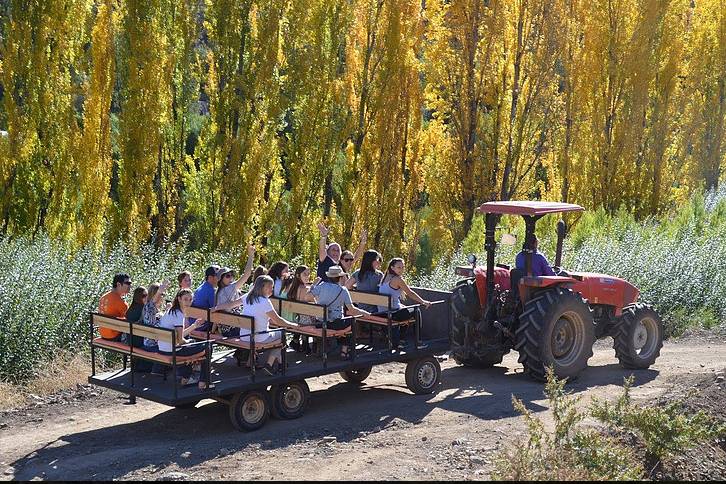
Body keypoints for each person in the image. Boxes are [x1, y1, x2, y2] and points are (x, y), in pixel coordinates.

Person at [240, 275, 299, 375]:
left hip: (244, 336)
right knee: (282, 335)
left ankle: (281, 364)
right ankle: (269, 364)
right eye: (270, 287)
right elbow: (278, 321)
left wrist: (216, 307)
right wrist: (293, 325)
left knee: (278, 336)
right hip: (258, 338)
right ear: (262, 287)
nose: (272, 290)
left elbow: (230, 304)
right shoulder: (264, 301)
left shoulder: (247, 297)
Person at [310, 266, 371, 359]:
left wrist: (313, 286)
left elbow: (308, 296)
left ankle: (323, 347)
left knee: (343, 323)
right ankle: (344, 351)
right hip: (335, 323)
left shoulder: (321, 286)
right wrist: (365, 313)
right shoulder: (343, 290)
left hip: (320, 323)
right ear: (341, 277)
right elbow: (352, 309)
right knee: (351, 322)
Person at [158, 288, 210, 389]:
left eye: (190, 300)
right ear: (179, 299)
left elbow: (178, 337)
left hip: (163, 348)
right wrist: (189, 342)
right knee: (208, 346)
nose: (188, 302)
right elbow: (181, 341)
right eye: (185, 299)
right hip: (173, 351)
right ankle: (203, 381)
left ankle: (186, 377)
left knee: (194, 344)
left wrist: (194, 326)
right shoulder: (179, 314)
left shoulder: (170, 311)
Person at [376, 258, 432, 348]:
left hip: (382, 312)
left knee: (405, 310)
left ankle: (401, 340)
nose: (401, 269)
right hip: (392, 313)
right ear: (392, 267)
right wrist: (423, 302)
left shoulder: (385, 277)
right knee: (416, 311)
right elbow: (410, 293)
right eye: (399, 267)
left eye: (403, 267)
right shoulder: (397, 279)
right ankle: (418, 341)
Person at [212, 244, 256, 336]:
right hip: (232, 328)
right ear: (221, 279)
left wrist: (213, 331)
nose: (231, 278)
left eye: (232, 275)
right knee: (255, 328)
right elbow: (247, 275)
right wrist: (251, 256)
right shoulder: (228, 289)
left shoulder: (218, 291)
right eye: (228, 276)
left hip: (225, 328)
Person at [286, 265, 317, 353]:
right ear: (298, 275)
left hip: (299, 318)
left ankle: (304, 344)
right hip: (309, 320)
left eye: (308, 274)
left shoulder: (293, 288)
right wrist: (314, 285)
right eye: (305, 274)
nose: (308, 276)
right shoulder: (305, 289)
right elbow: (315, 302)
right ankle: (315, 346)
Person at [98, 273, 132, 341]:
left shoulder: (103, 297)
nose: (130, 286)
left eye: (130, 283)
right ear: (118, 284)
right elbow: (129, 319)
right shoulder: (120, 302)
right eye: (127, 283)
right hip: (114, 336)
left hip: (103, 334)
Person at [126, 287, 153, 372]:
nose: (146, 298)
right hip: (139, 340)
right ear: (138, 297)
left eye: (147, 296)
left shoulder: (130, 309)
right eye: (144, 296)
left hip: (130, 339)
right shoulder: (142, 309)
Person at [191, 265, 220, 332]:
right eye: (218, 276)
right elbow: (216, 309)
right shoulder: (211, 291)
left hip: (194, 321)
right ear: (210, 277)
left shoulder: (201, 287)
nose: (220, 278)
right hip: (203, 325)